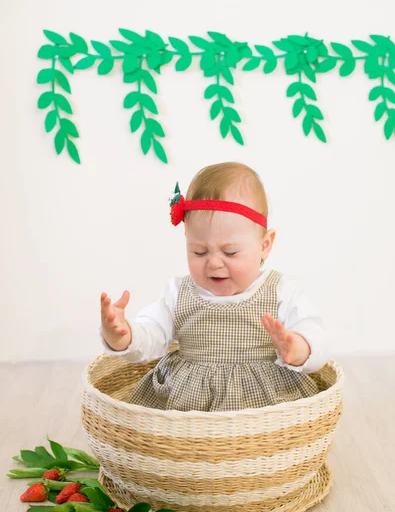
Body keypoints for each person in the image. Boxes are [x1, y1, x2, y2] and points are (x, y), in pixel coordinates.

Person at [99, 162, 328, 411]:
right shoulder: (179, 292)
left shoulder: (280, 290)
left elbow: (314, 332)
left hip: (263, 404)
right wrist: (124, 336)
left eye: (230, 252)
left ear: (265, 245)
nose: (214, 263)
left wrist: (298, 348)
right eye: (199, 251)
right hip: (189, 406)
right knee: (168, 438)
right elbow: (152, 333)